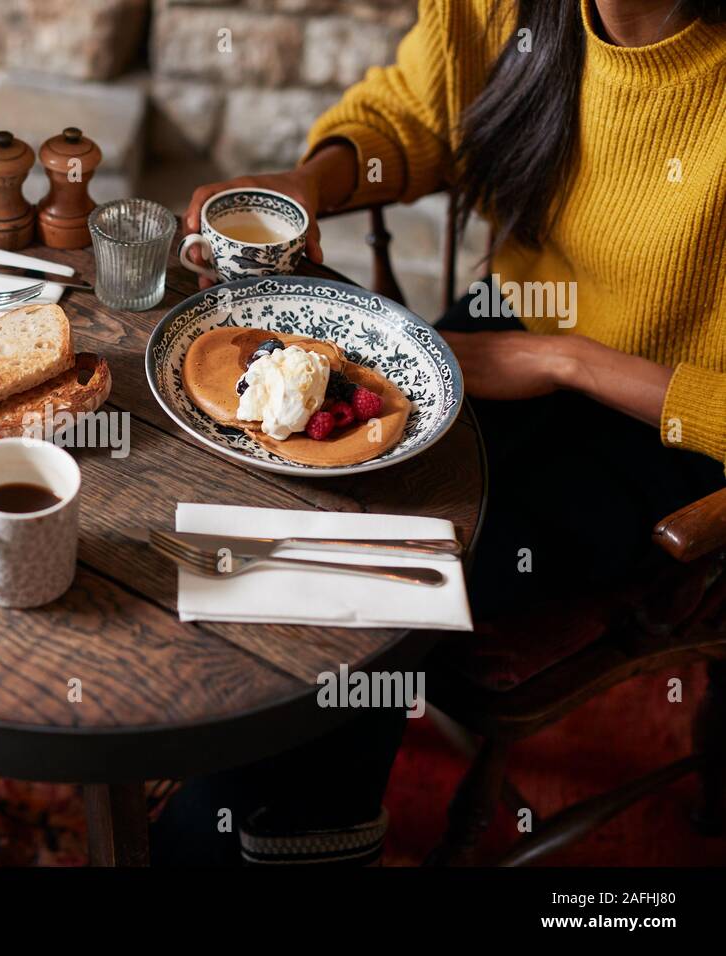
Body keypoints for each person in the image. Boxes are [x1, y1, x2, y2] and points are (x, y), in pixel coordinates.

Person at [159, 0, 726, 864]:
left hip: (670, 432)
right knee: (284, 508)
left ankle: (256, 833)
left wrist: (567, 362)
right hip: (511, 336)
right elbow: (414, 114)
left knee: (373, 591)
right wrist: (315, 184)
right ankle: (256, 806)